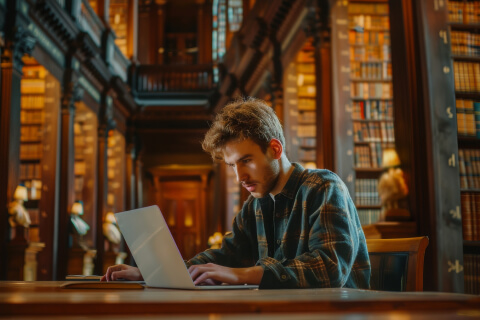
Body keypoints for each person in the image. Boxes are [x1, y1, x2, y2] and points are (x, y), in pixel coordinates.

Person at [102, 97, 371, 289]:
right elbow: (224, 256)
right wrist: (154, 272)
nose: (239, 177)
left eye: (246, 161)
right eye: (232, 165)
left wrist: (243, 275)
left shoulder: (324, 187)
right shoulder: (255, 205)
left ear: (275, 150)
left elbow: (329, 268)